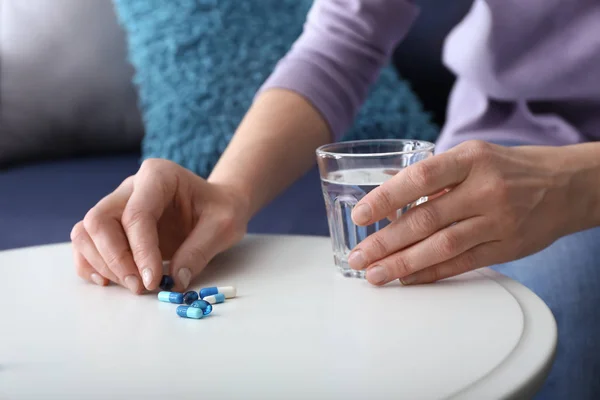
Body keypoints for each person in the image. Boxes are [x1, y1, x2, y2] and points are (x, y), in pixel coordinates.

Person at [69, 1, 600, 397]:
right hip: (510, 135)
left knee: (562, 312)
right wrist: (229, 191)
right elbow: (346, 40)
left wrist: (577, 182)